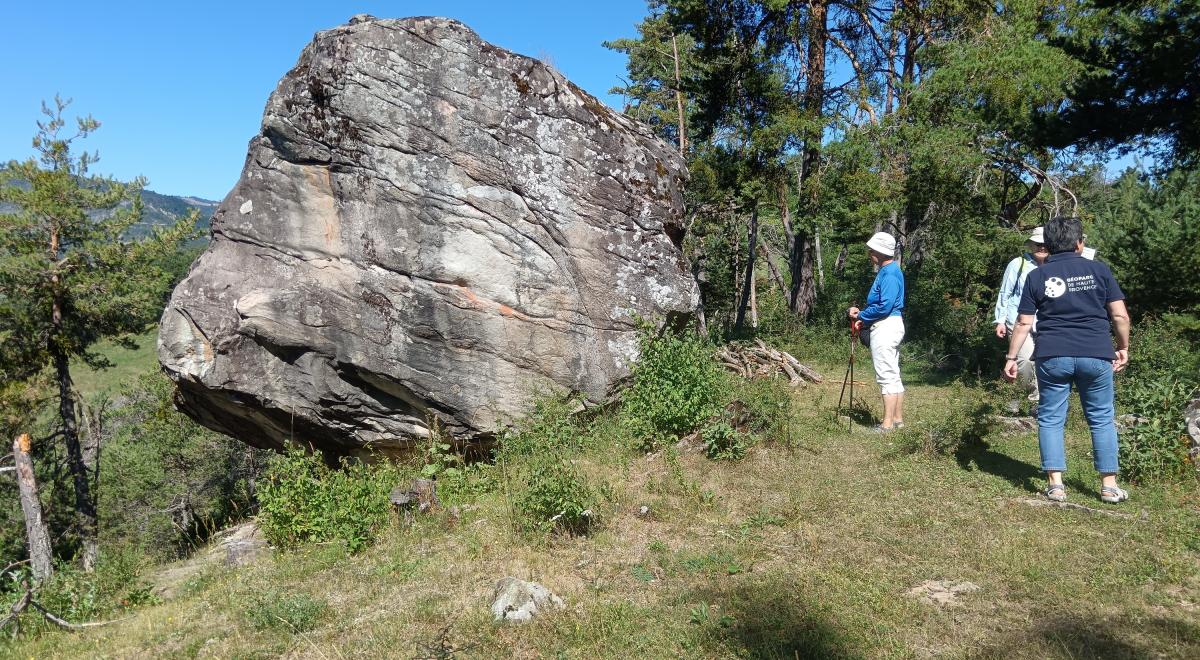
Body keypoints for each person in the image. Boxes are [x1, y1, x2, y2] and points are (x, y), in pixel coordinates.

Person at [1003, 216, 1131, 504]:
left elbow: (1023, 322)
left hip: (1052, 355)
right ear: (1079, 243)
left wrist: (1012, 357)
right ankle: (1109, 486)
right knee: (1101, 419)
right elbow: (1120, 315)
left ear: (1047, 246)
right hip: (1096, 353)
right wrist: (1123, 347)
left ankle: (1056, 486)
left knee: (1050, 419)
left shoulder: (1036, 276)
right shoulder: (1099, 270)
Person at [849, 232, 905, 432]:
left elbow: (885, 305)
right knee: (893, 374)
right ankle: (897, 420)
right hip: (891, 324)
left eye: (872, 249)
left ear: (880, 252)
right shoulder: (890, 270)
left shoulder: (889, 273)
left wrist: (861, 315)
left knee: (886, 376)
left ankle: (887, 425)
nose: (869, 252)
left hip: (886, 326)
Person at [994, 227, 1049, 413]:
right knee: (1024, 360)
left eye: (1045, 244)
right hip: (1017, 320)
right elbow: (1005, 292)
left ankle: (1033, 402)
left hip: (1044, 321)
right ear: (1031, 244)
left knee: (1041, 360)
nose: (1041, 247)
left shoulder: (1054, 266)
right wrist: (1000, 320)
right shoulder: (1018, 264)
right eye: (1037, 244)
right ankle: (1018, 397)